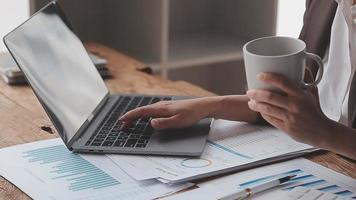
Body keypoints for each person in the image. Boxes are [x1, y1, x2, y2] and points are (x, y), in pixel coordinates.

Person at [120, 0, 356, 160]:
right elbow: (291, 106)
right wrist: (207, 107)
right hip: (316, 158)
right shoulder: (325, 4)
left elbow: (315, 126)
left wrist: (325, 133)